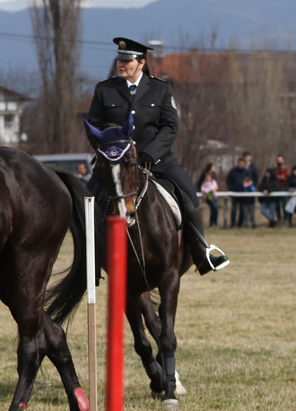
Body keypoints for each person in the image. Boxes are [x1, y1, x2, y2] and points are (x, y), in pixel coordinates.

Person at [86, 37, 228, 275]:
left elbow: (171, 126)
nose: (121, 64)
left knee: (190, 200)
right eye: (119, 59)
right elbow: (93, 126)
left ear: (141, 62)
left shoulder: (161, 89)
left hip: (158, 161)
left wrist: (150, 153)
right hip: (116, 166)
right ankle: (87, 263)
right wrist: (109, 152)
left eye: (127, 60)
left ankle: (202, 254)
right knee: (86, 202)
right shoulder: (104, 89)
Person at [225, 158, 250, 228]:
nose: (240, 164)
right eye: (239, 163)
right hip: (234, 193)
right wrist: (231, 189)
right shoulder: (233, 171)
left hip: (243, 194)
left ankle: (240, 224)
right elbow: (228, 180)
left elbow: (250, 181)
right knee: (233, 209)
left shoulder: (246, 172)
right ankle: (232, 224)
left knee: (242, 210)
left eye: (242, 163)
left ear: (244, 164)